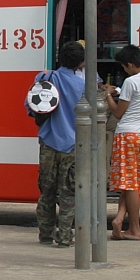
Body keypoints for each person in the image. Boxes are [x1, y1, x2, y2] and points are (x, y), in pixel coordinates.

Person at [104, 36, 140, 241]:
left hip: (126, 135)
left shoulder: (131, 82)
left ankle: (135, 229)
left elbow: (118, 112)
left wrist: (107, 95)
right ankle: (119, 220)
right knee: (131, 183)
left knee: (130, 186)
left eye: (124, 67)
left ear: (129, 65)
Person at [33, 40, 86, 248]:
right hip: (72, 146)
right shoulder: (83, 86)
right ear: (80, 63)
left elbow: (31, 105)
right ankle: (64, 237)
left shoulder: (45, 77)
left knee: (46, 192)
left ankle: (45, 234)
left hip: (48, 143)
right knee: (68, 193)